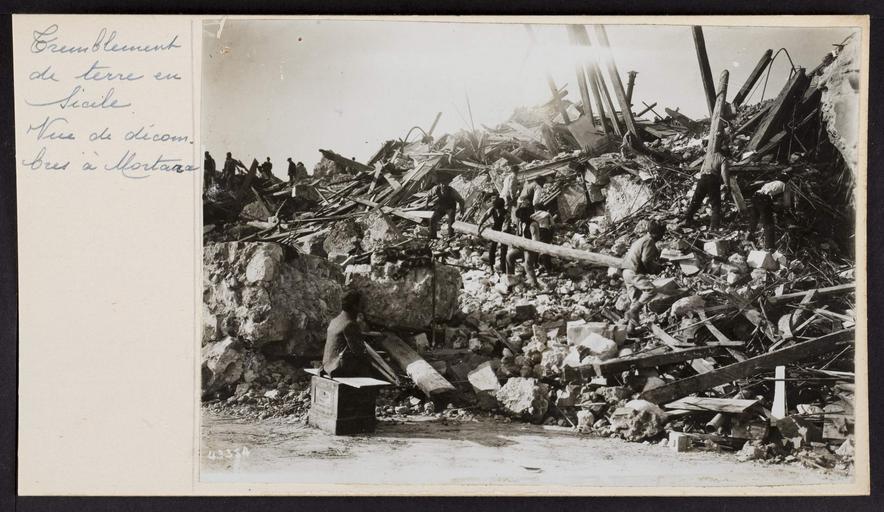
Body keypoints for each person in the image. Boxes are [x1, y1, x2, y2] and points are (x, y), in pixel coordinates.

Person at [621, 220, 666, 333]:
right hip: (634, 271)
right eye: (662, 233)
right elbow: (645, 259)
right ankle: (633, 311)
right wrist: (652, 269)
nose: (662, 236)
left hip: (626, 271)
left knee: (635, 299)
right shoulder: (649, 241)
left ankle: (631, 328)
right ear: (656, 233)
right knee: (651, 290)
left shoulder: (640, 240)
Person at [321, 290, 371, 378]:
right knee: (372, 369)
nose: (364, 306)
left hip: (327, 366)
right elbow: (359, 352)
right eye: (361, 304)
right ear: (354, 306)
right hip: (337, 368)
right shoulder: (350, 324)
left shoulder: (334, 321)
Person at [682, 146, 731, 229]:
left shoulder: (709, 156)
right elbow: (724, 173)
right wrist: (727, 185)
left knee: (696, 200)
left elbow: (701, 170)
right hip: (713, 180)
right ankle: (713, 227)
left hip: (703, 179)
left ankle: (686, 220)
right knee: (715, 205)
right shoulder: (723, 159)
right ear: (726, 153)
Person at [747, 171, 794, 250]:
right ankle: (770, 247)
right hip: (764, 199)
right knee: (768, 224)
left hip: (755, 197)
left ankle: (748, 236)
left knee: (754, 218)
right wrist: (785, 211)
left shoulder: (770, 183)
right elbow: (787, 204)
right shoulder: (785, 185)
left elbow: (768, 195)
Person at [506, 204, 542, 288]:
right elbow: (519, 235)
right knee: (509, 256)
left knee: (527, 265)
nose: (521, 219)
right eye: (520, 218)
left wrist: (531, 252)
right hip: (522, 246)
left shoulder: (533, 224)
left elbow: (535, 241)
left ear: (527, 216)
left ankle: (534, 284)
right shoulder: (520, 223)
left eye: (522, 218)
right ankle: (511, 279)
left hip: (531, 248)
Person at [425, 175, 465, 239]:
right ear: (440, 184)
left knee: (451, 221)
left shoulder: (452, 191)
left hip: (450, 206)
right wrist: (426, 205)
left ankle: (450, 236)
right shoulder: (436, 188)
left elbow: (461, 200)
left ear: (447, 184)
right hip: (442, 206)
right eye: (442, 184)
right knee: (433, 219)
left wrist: (462, 211)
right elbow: (429, 196)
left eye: (445, 184)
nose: (443, 186)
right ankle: (433, 236)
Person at [477, 197, 508, 272]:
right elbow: (483, 218)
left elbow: (505, 226)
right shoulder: (492, 209)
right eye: (497, 209)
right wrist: (479, 229)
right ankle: (491, 267)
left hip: (504, 233)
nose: (498, 211)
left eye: (499, 209)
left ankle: (503, 269)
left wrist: (501, 235)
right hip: (495, 230)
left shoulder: (506, 214)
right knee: (491, 250)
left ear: (503, 207)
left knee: (503, 252)